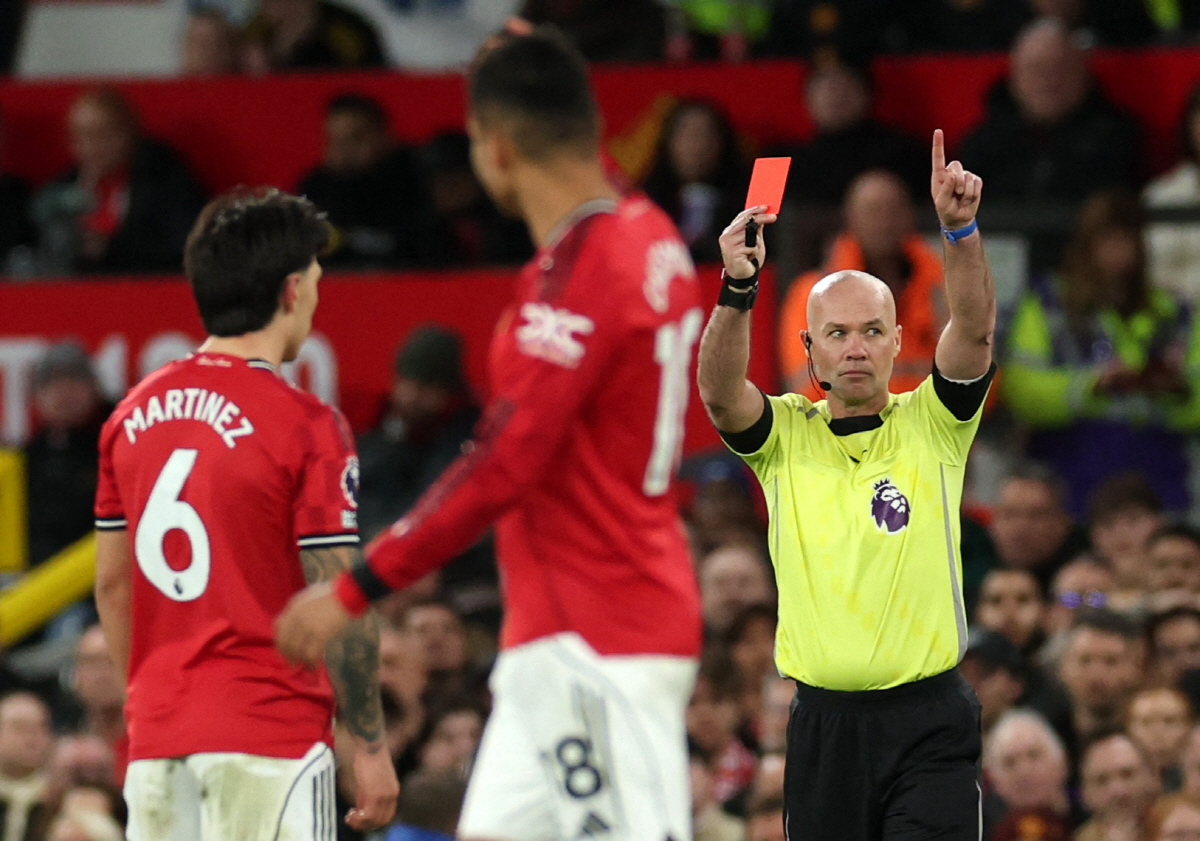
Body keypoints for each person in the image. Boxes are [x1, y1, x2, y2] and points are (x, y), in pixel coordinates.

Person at [276, 26, 703, 841]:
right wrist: (525, 63)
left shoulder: (580, 277)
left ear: (496, 148)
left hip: (594, 639)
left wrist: (353, 587)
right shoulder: (644, 231)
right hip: (564, 633)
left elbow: (503, 465)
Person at [695, 126, 995, 839]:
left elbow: (975, 335)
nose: (855, 346)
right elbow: (717, 393)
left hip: (931, 723)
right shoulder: (783, 435)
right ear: (808, 348)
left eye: (870, 331)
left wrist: (961, 233)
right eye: (836, 333)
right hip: (824, 726)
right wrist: (739, 286)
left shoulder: (935, 419)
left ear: (897, 341)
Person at [92, 188, 397, 839]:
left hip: (157, 743)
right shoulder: (307, 424)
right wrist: (368, 744)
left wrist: (151, 704)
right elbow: (337, 586)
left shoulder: (128, 418)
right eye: (316, 278)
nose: (317, 295)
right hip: (270, 737)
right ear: (290, 290)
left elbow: (114, 585)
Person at [1002, 188, 1200, 519]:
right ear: (1085, 245)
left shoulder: (1173, 311)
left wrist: (1175, 388)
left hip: (1159, 475)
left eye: (1127, 239)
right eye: (1107, 239)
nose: (1118, 252)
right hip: (1071, 470)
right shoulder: (1047, 304)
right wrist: (1092, 384)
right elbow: (1022, 391)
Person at [777, 169, 945, 399]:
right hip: (843, 430)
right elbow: (807, 387)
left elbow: (978, 387)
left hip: (930, 426)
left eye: (894, 210)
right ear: (850, 218)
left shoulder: (942, 287)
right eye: (873, 211)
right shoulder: (812, 292)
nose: (885, 221)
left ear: (911, 215)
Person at [32, 88, 206, 275]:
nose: (92, 146)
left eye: (103, 134)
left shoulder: (163, 178)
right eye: (81, 136)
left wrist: (112, 249)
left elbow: (183, 247)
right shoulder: (61, 187)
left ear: (130, 130)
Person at [296, 93, 431, 269]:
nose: (344, 151)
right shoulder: (315, 189)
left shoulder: (417, 180)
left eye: (355, 139)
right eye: (334, 141)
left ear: (384, 135)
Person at [641, 98, 749, 264]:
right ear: (668, 142)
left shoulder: (747, 204)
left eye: (706, 134)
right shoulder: (646, 203)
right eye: (686, 135)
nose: (697, 145)